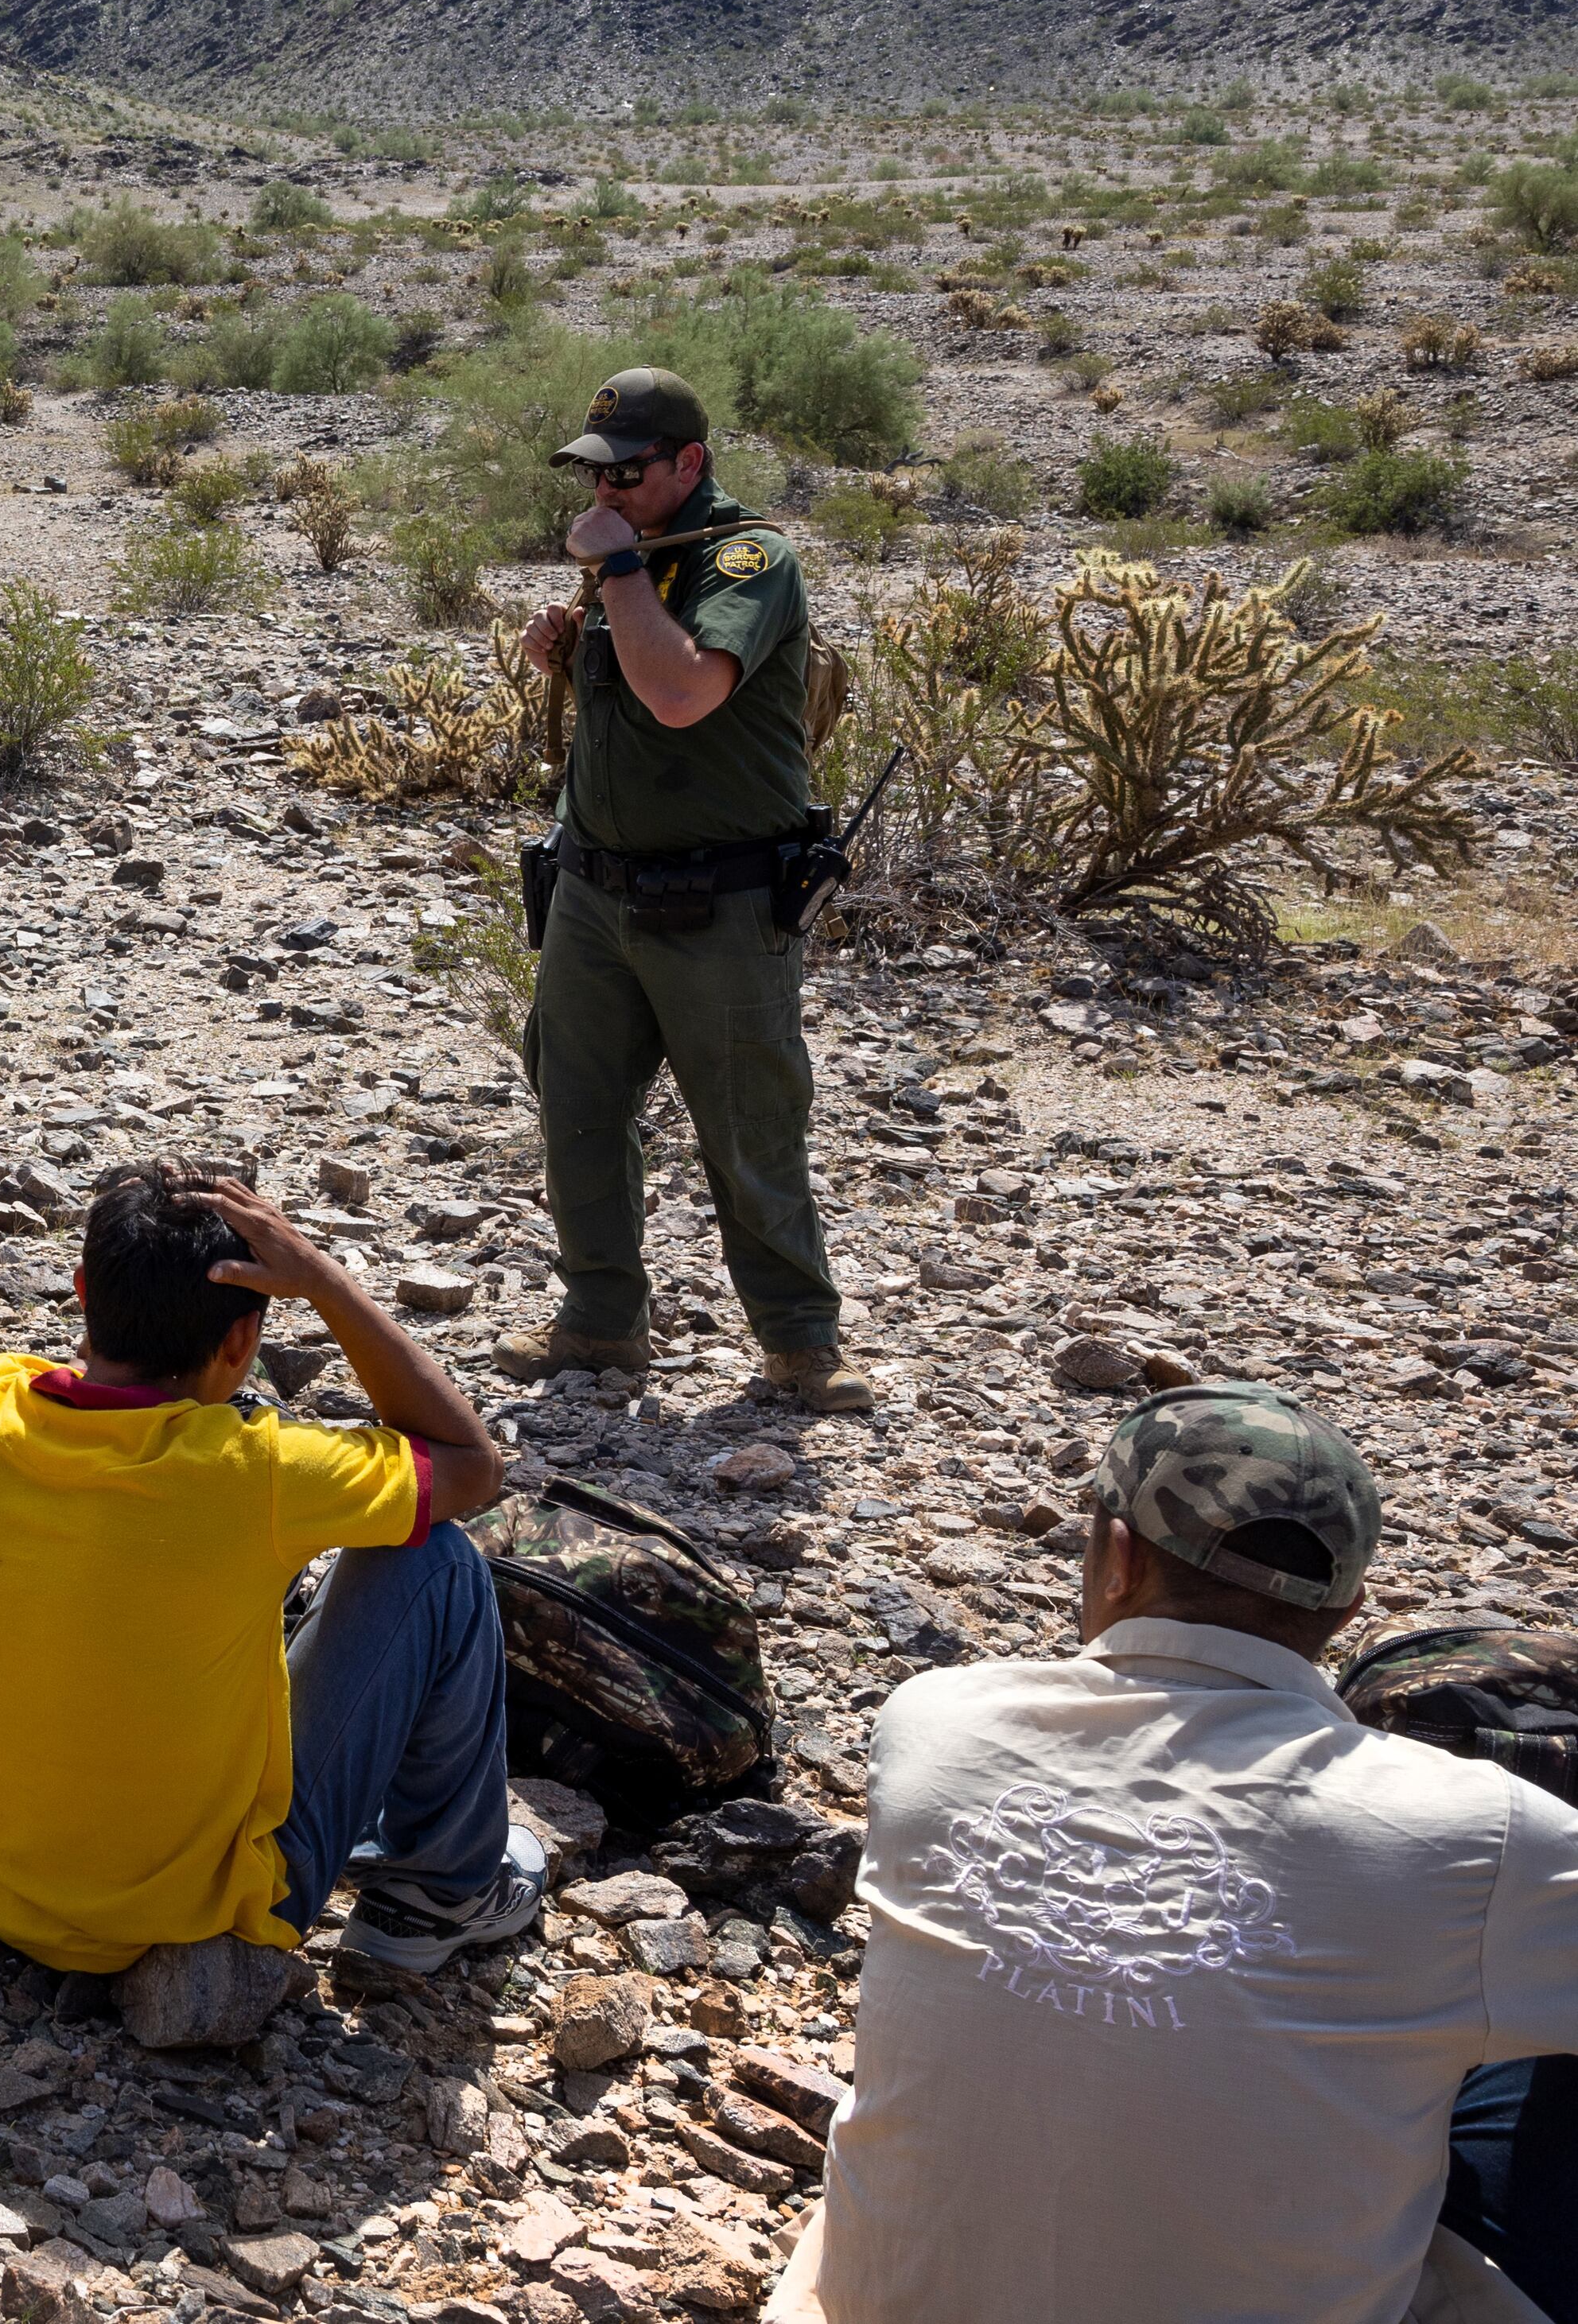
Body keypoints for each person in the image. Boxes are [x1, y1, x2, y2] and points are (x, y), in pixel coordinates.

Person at [769, 1383, 1576, 2324]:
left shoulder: (935, 1719)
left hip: (873, 2307)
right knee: (1512, 2044)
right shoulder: (1479, 1832)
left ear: (1115, 1559)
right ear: (1346, 1609)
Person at [0, 1165, 540, 1981]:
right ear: (240, 1342)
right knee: (435, 1558)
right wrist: (325, 1281)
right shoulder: (252, 1473)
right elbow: (471, 1465)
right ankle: (440, 1896)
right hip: (186, 1920)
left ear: (83, 1292)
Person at [502, 368, 869, 1414]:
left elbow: (681, 692)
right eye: (594, 475)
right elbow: (633, 689)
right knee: (576, 1104)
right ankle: (601, 1322)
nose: (606, 491)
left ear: (689, 465)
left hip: (721, 902)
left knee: (749, 1118)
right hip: (594, 891)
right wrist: (566, 654)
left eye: (627, 473)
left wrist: (613, 571)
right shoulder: (634, 561)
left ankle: (801, 1343)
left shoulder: (747, 560)